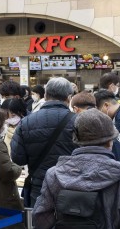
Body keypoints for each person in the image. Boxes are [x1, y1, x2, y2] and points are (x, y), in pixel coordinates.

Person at [11, 77, 76, 206]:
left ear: (45, 96)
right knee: (71, 224)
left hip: (40, 185)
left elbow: (19, 159)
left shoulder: (26, 122)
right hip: (72, 185)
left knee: (40, 223)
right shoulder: (79, 121)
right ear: (69, 97)